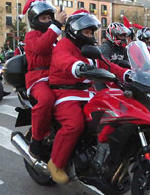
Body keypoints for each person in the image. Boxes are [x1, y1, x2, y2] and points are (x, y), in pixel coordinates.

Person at [48, 10, 130, 184]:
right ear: (75, 30)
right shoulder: (65, 45)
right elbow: (62, 59)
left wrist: (128, 74)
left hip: (88, 93)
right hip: (66, 93)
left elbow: (109, 66)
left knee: (114, 114)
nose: (90, 35)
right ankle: (56, 163)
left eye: (92, 32)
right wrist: (78, 66)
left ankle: (106, 159)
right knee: (74, 124)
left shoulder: (91, 50)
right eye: (87, 32)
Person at [23, 0, 67, 158]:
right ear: (35, 20)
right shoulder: (31, 36)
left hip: (56, 78)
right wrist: (56, 24)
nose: (48, 21)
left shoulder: (54, 38)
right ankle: (36, 141)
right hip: (38, 79)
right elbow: (42, 47)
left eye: (50, 18)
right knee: (46, 99)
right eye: (44, 18)